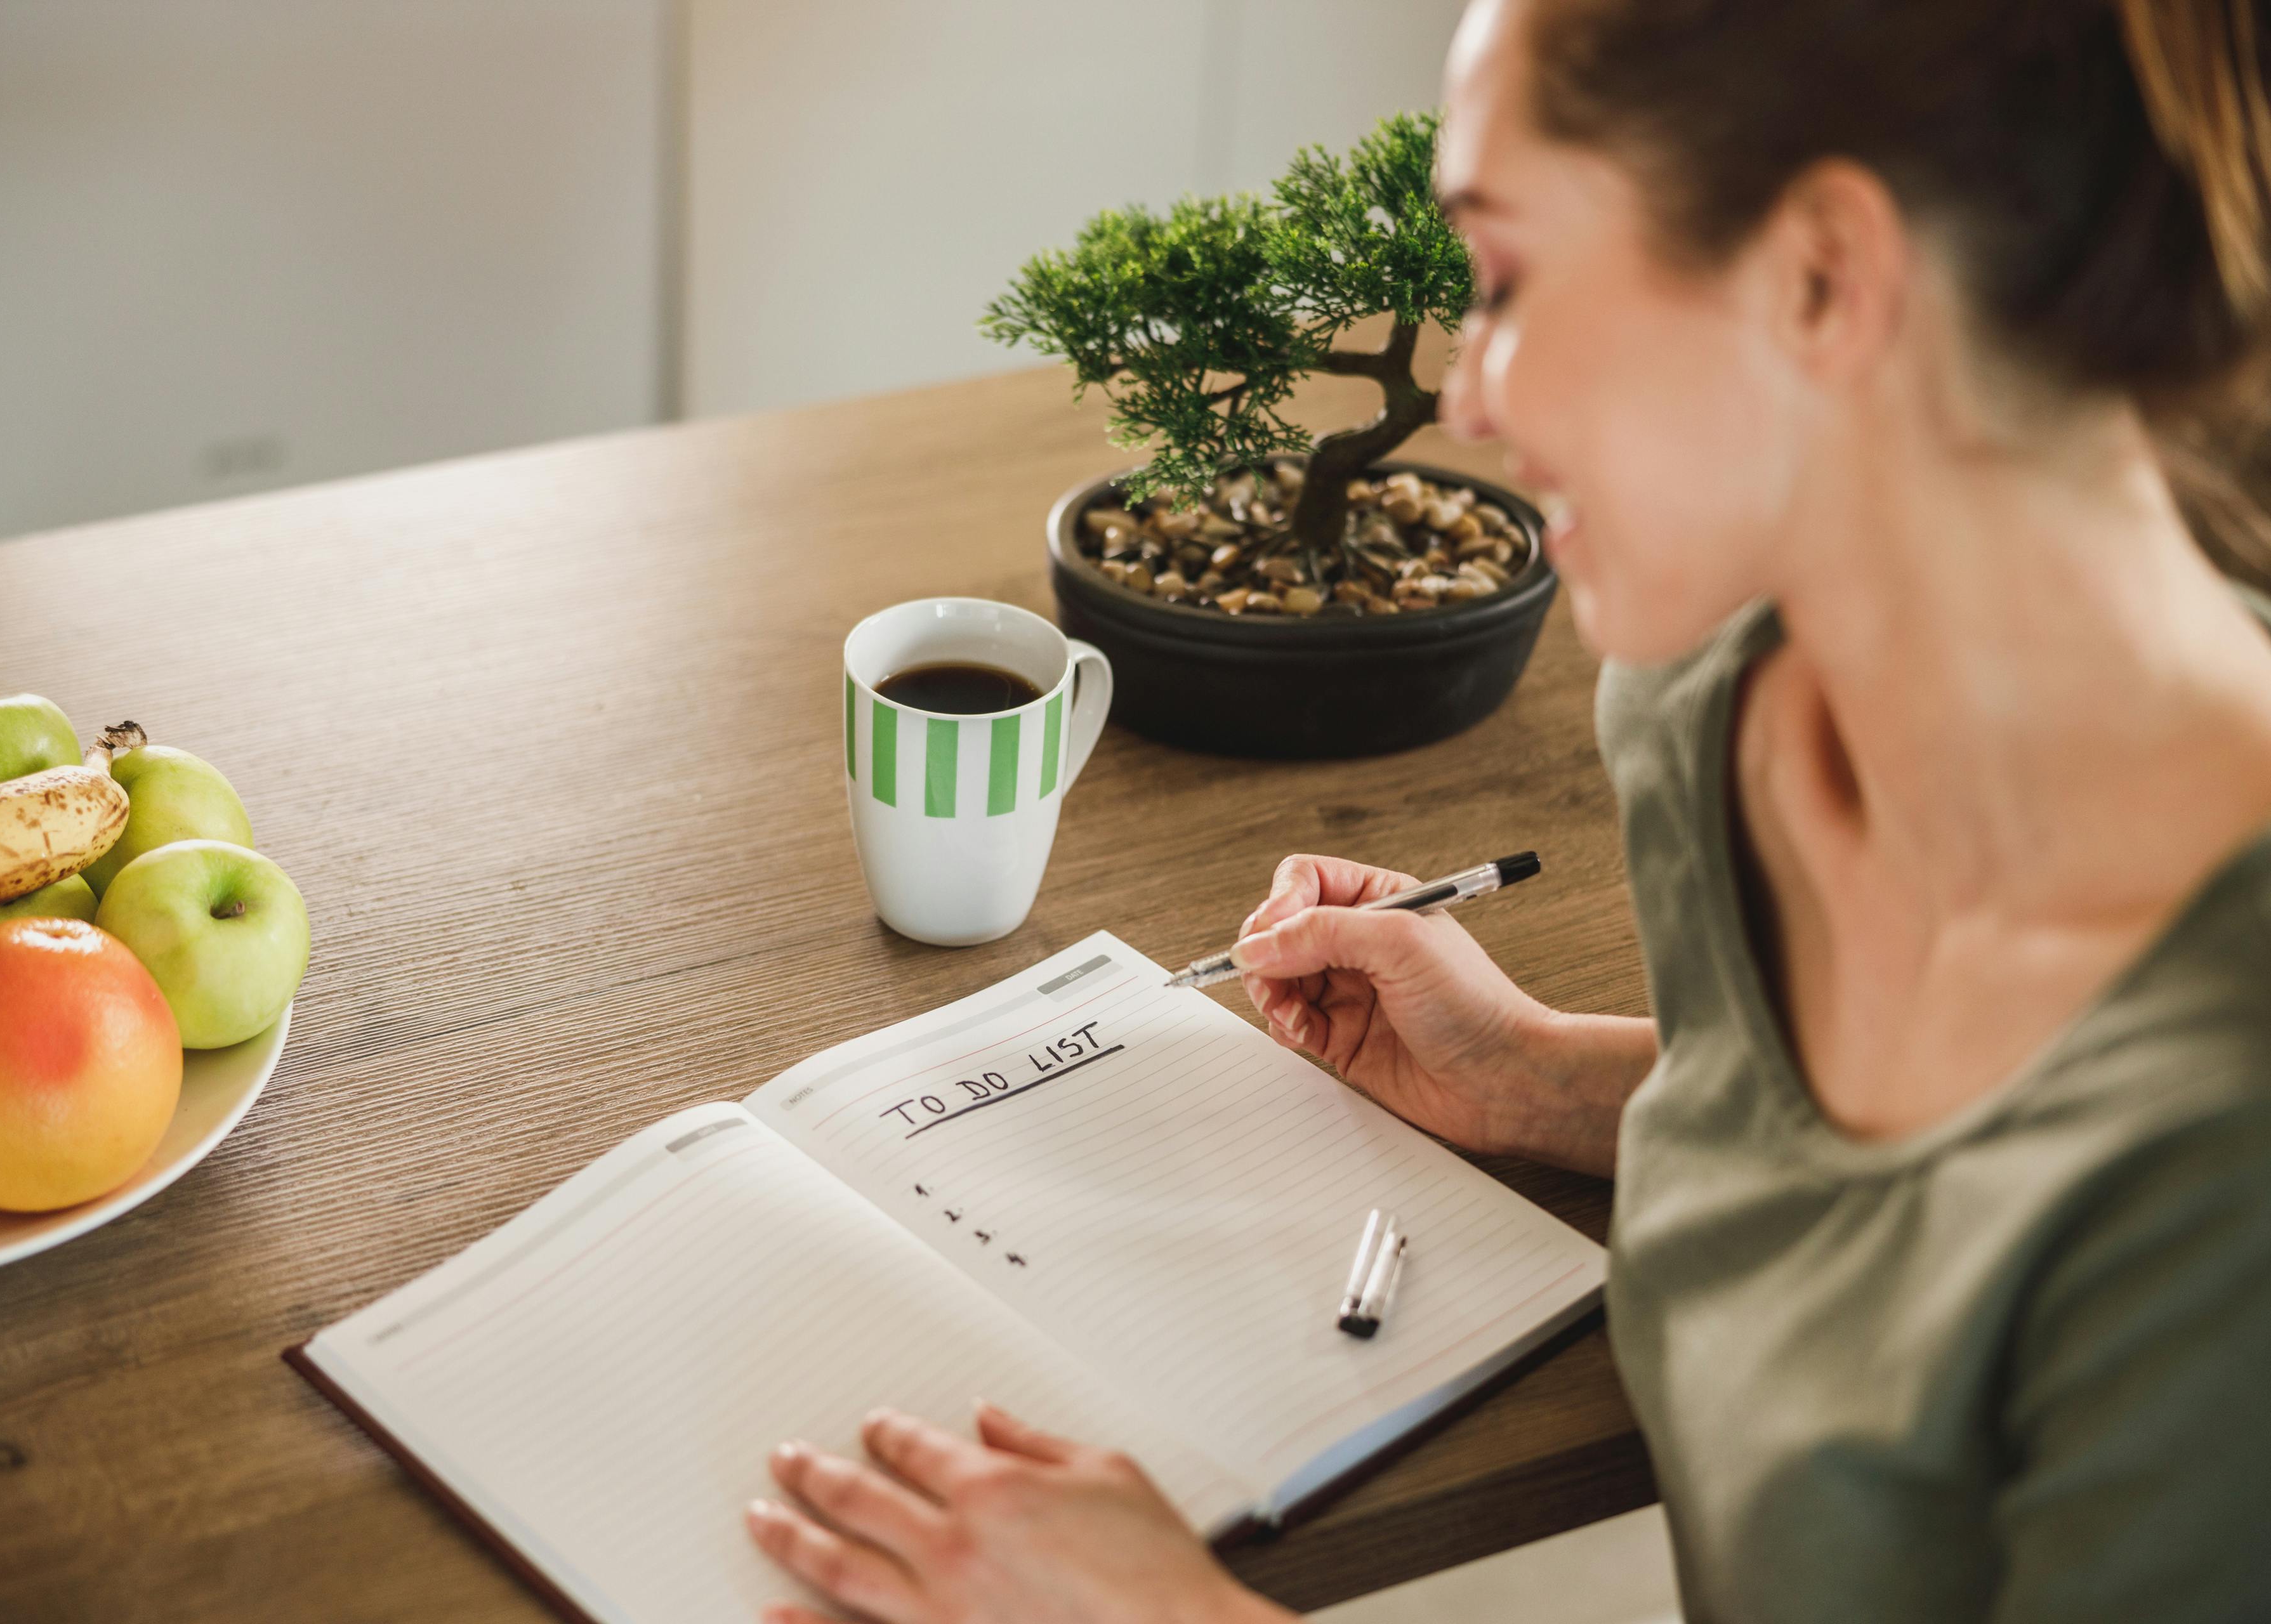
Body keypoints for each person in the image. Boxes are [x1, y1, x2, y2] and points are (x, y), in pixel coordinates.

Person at [742, 0, 2271, 1617]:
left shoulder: (2221, 1162)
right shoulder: (1720, 690)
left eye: (1512, 277)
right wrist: (1545, 1078)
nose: (1466, 394)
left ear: (1823, 278)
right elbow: (1915, 1186)